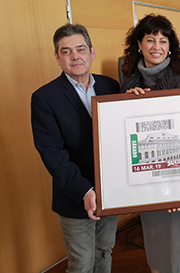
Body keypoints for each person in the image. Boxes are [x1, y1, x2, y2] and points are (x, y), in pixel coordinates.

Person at [31, 24, 120, 273]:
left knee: (105, 252)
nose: (75, 56)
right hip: (75, 195)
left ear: (92, 52)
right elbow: (52, 153)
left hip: (111, 192)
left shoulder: (112, 86)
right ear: (58, 58)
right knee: (81, 263)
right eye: (66, 51)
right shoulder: (44, 98)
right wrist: (85, 191)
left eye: (80, 49)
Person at [120, 14, 180, 273]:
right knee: (152, 235)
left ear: (170, 45)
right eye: (150, 39)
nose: (156, 47)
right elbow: (125, 128)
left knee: (174, 232)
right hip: (144, 174)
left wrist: (173, 184)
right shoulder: (127, 77)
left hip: (174, 168)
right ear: (139, 43)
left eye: (163, 40)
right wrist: (125, 102)